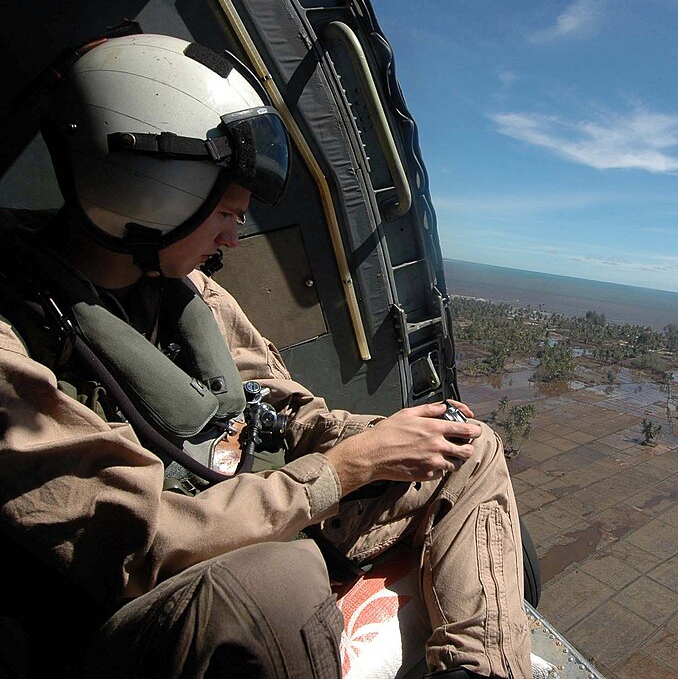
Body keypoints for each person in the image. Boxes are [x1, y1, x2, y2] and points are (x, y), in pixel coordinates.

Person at [0, 34, 531, 679]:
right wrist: (341, 470)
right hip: (137, 606)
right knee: (277, 585)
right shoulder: (11, 343)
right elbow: (144, 546)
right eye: (225, 212)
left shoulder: (185, 289)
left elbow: (280, 407)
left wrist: (381, 440)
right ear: (148, 189)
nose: (232, 234)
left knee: (465, 445)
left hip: (257, 500)